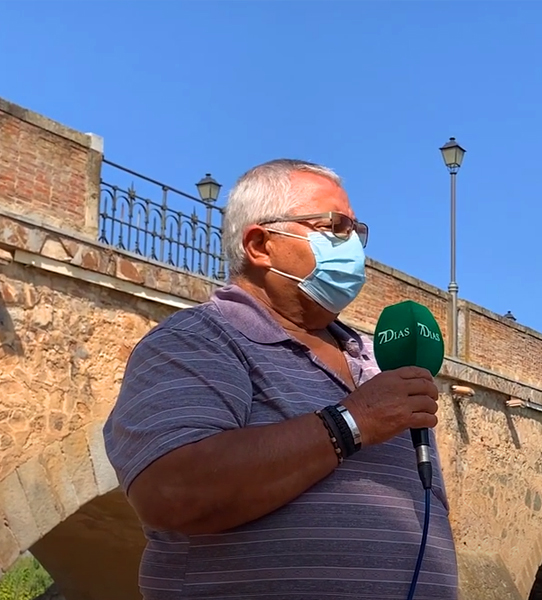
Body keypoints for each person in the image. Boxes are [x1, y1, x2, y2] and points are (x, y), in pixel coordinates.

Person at [103, 159, 458, 599]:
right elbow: (171, 490)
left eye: (355, 232)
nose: (352, 247)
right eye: (335, 228)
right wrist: (350, 422)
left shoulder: (378, 359)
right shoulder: (196, 341)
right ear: (259, 244)